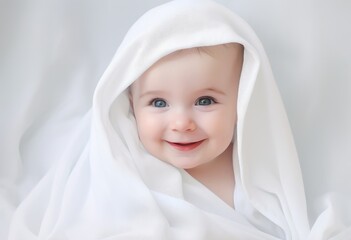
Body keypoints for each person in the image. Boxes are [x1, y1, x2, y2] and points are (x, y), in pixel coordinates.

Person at [5, 0, 349, 239]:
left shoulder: (258, 171)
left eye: (205, 100)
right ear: (130, 104)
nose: (182, 122)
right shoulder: (120, 165)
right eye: (158, 103)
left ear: (243, 101)